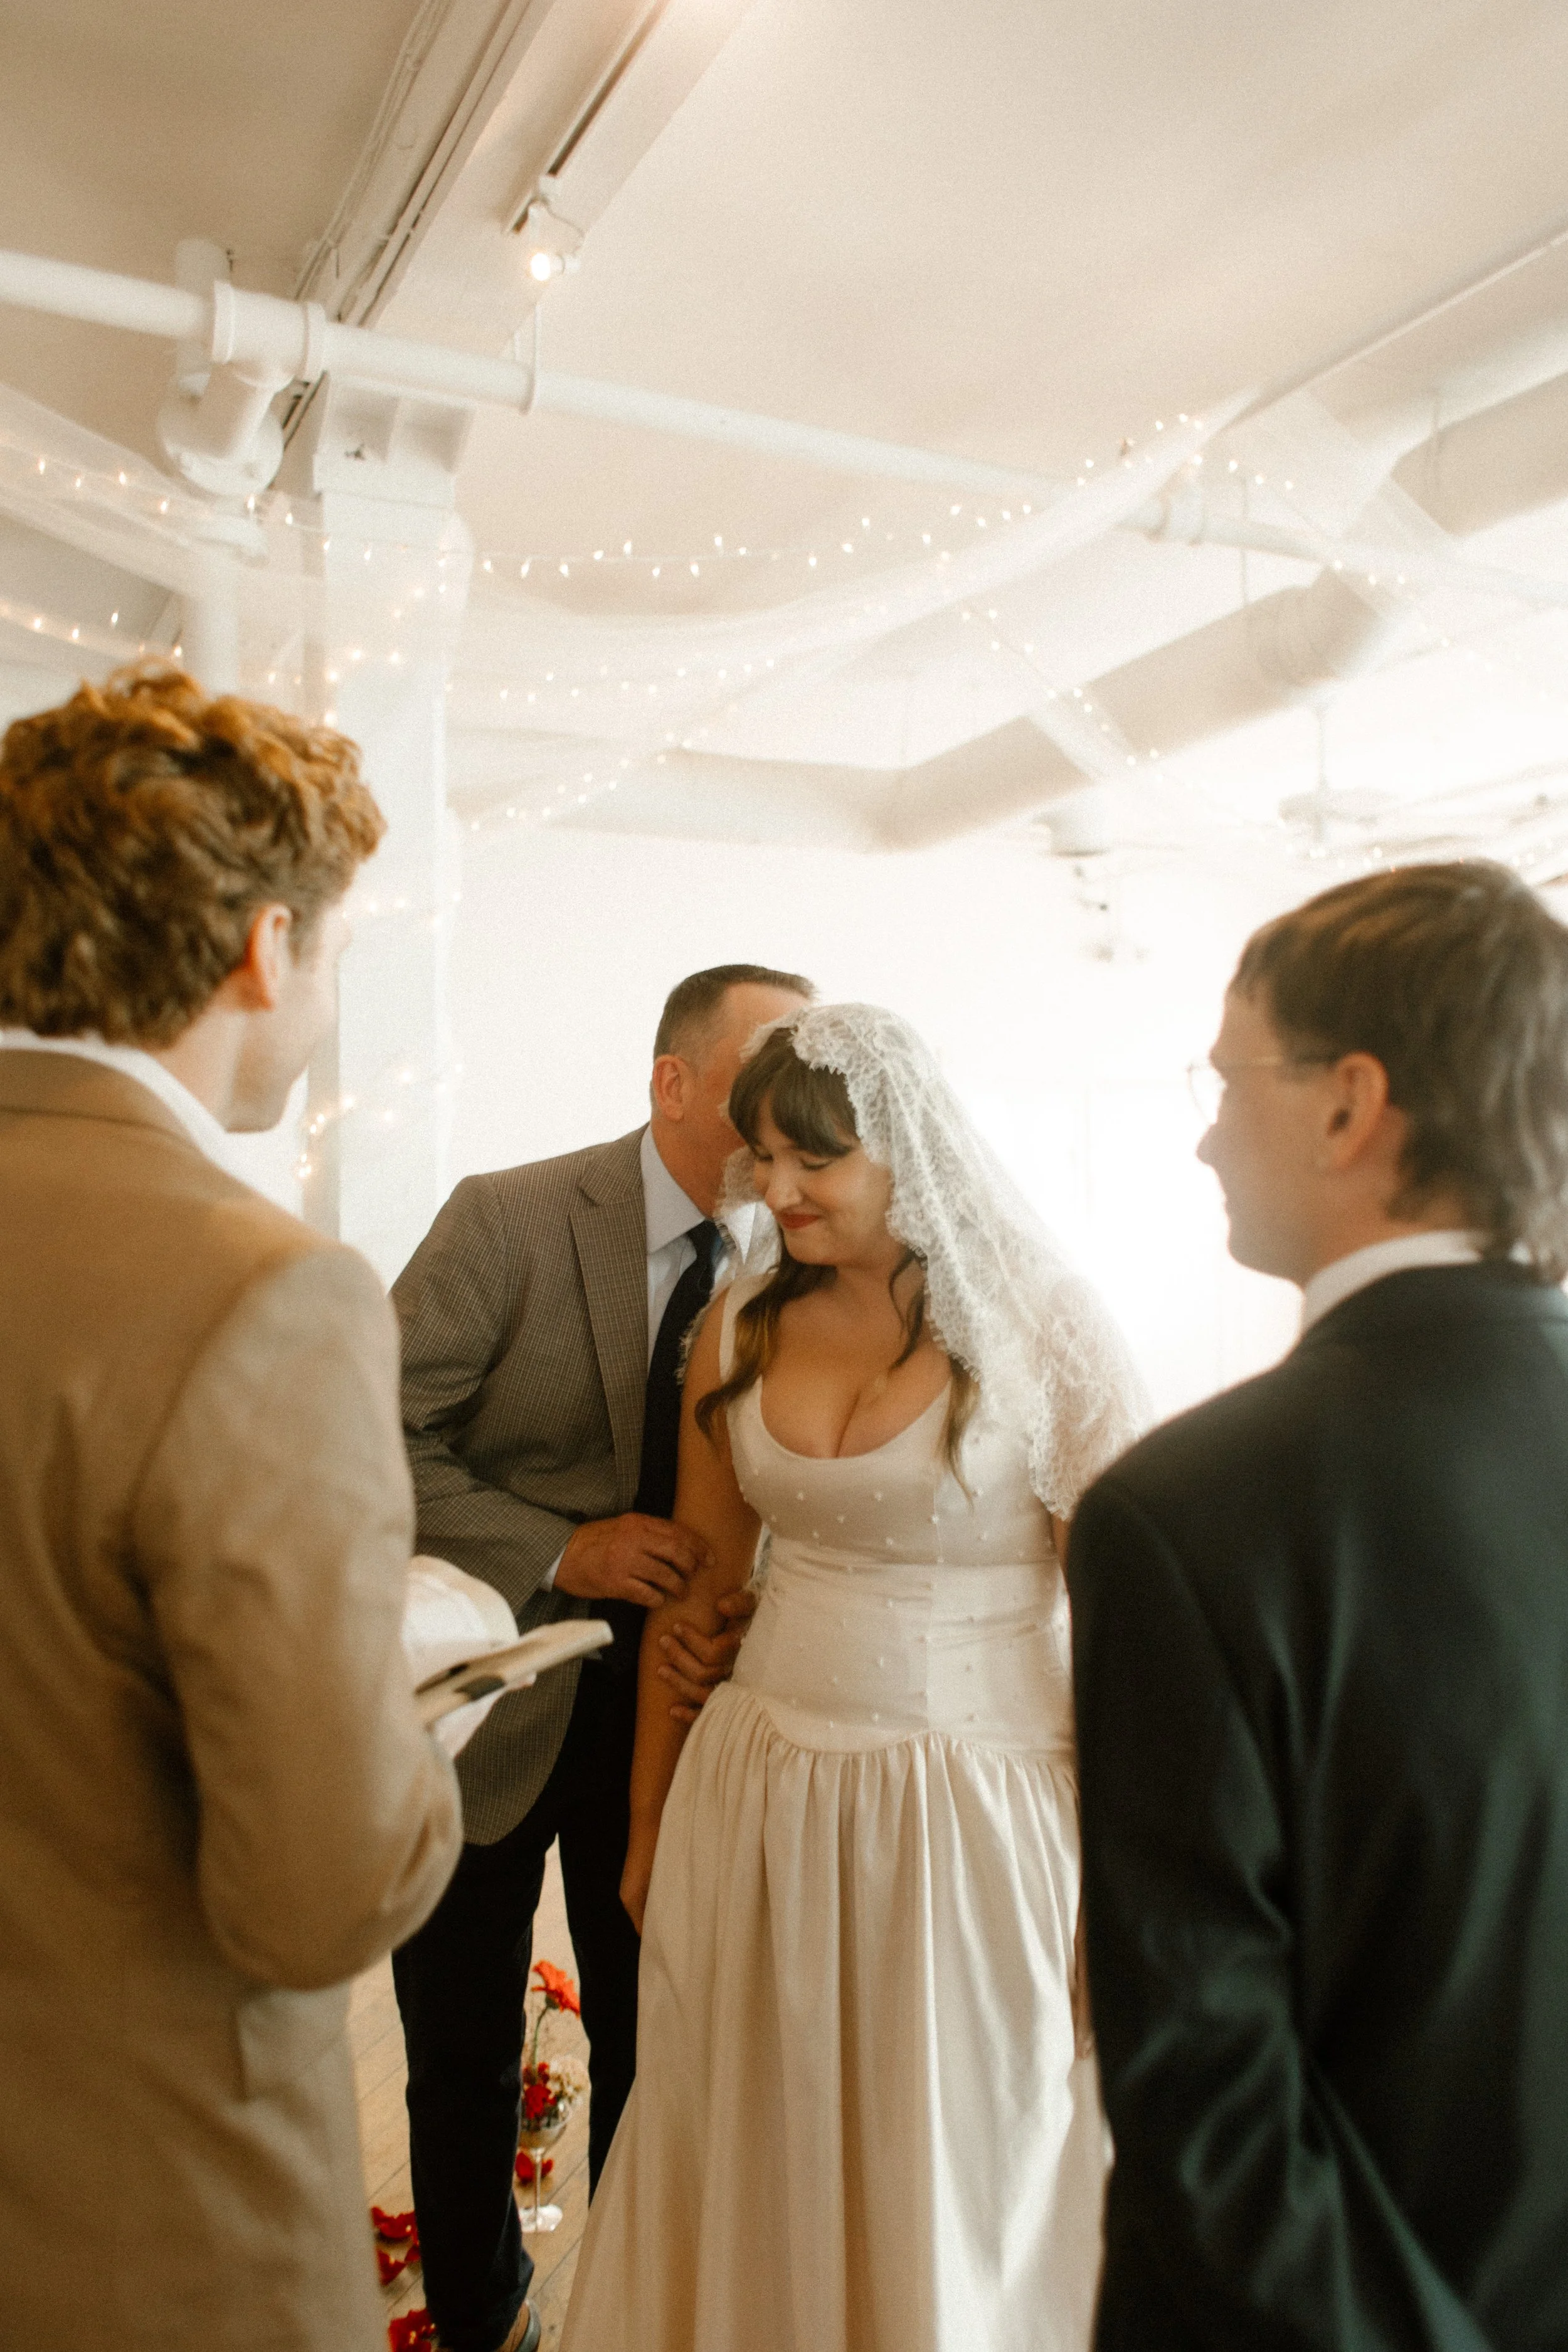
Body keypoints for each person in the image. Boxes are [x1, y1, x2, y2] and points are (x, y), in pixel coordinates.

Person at [563, 1002, 1148, 2352]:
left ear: (902, 1148)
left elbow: (1128, 1629)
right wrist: (649, 1829)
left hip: (974, 1813)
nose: (775, 1191)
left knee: (957, 2150)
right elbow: (700, 1596)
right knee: (748, 2138)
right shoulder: (738, 1324)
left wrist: (1121, 1884)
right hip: (757, 1792)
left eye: (809, 1162)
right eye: (761, 1158)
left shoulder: (1042, 1328)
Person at [0, 667, 464, 2352]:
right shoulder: (259, 1288)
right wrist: (419, 1707)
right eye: (335, 948)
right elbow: (316, 1891)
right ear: (267, 945)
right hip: (136, 2229)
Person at [1068, 861, 1568, 2350]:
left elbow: (1206, 2093)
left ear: (1350, 1105)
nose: (1207, 1134)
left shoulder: (1188, 1514)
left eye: (1228, 1078)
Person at [389, 961, 813, 2352]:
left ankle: (637, 2315)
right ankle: (476, 2319)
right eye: (763, 1068)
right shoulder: (507, 1216)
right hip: (499, 1705)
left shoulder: (807, 1255)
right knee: (460, 2058)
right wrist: (559, 1547)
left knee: (658, 2046)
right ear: (673, 1083)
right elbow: (374, 1433)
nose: (786, 1105)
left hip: (694, 1720)